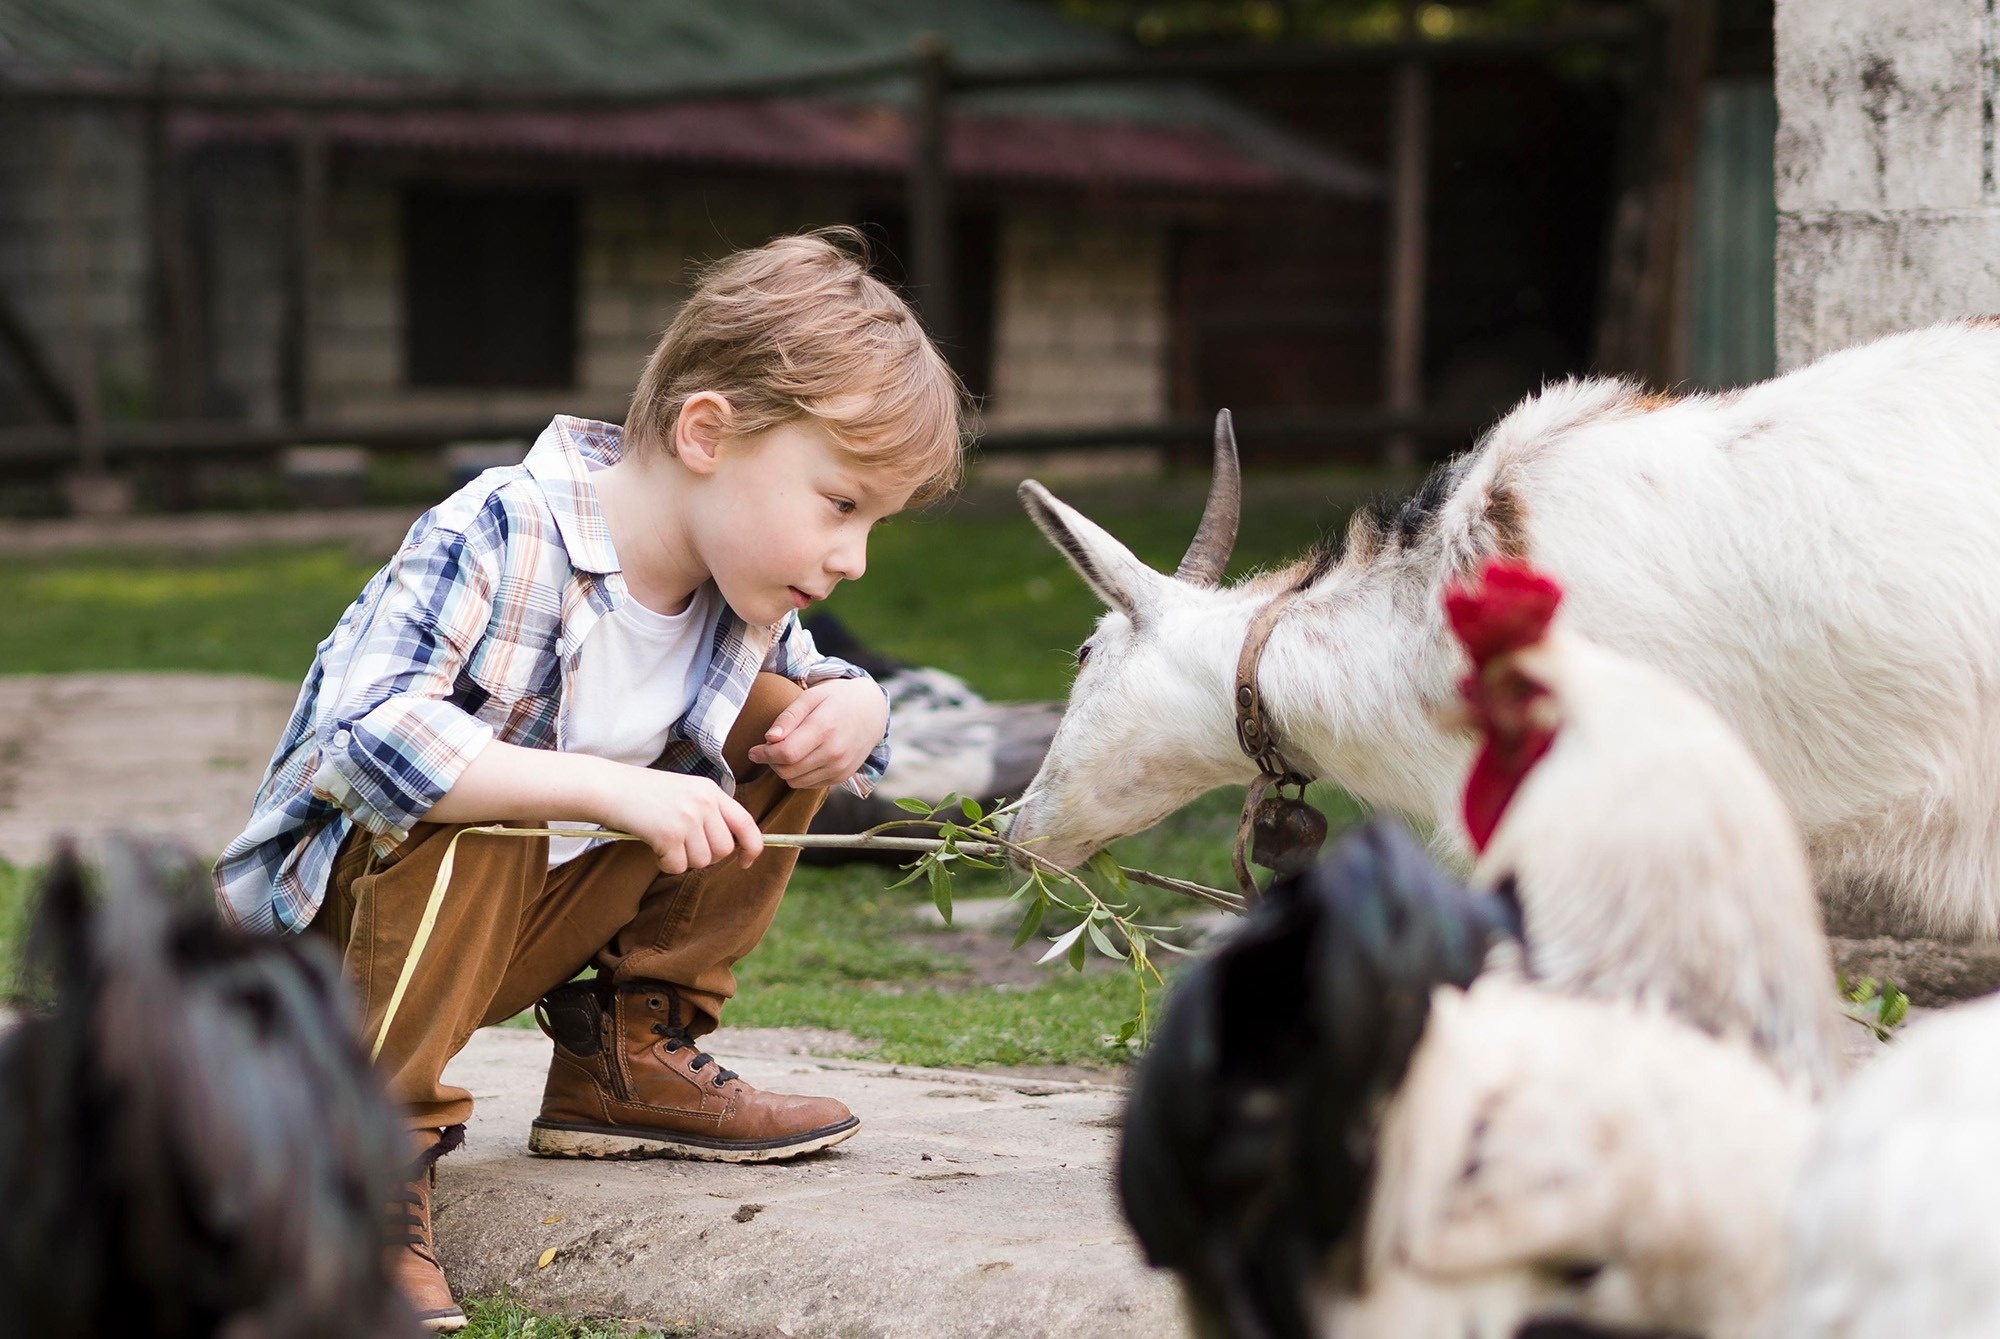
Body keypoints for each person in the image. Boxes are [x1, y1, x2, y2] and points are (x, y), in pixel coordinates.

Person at [212, 228, 966, 1330]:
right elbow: (362, 743)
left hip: (500, 937)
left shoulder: (734, 590)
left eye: (874, 525)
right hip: (327, 956)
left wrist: (859, 704)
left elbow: (823, 687)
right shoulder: (502, 526)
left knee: (797, 721)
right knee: (475, 795)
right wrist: (602, 789)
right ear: (707, 432)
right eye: (840, 503)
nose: (852, 556)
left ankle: (627, 1056)